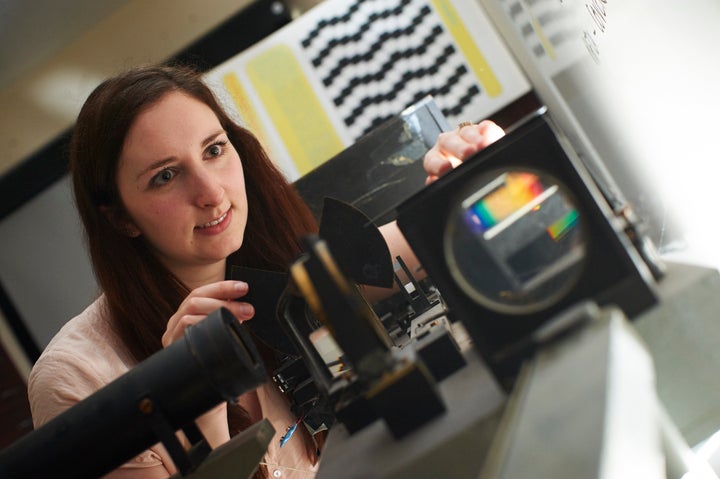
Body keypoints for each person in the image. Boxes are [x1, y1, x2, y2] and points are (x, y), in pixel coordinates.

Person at [27, 63, 503, 479]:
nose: (211, 192)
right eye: (165, 176)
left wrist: (474, 171)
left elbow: (437, 235)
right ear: (120, 217)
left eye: (214, 150)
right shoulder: (76, 378)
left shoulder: (283, 273)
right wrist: (192, 394)